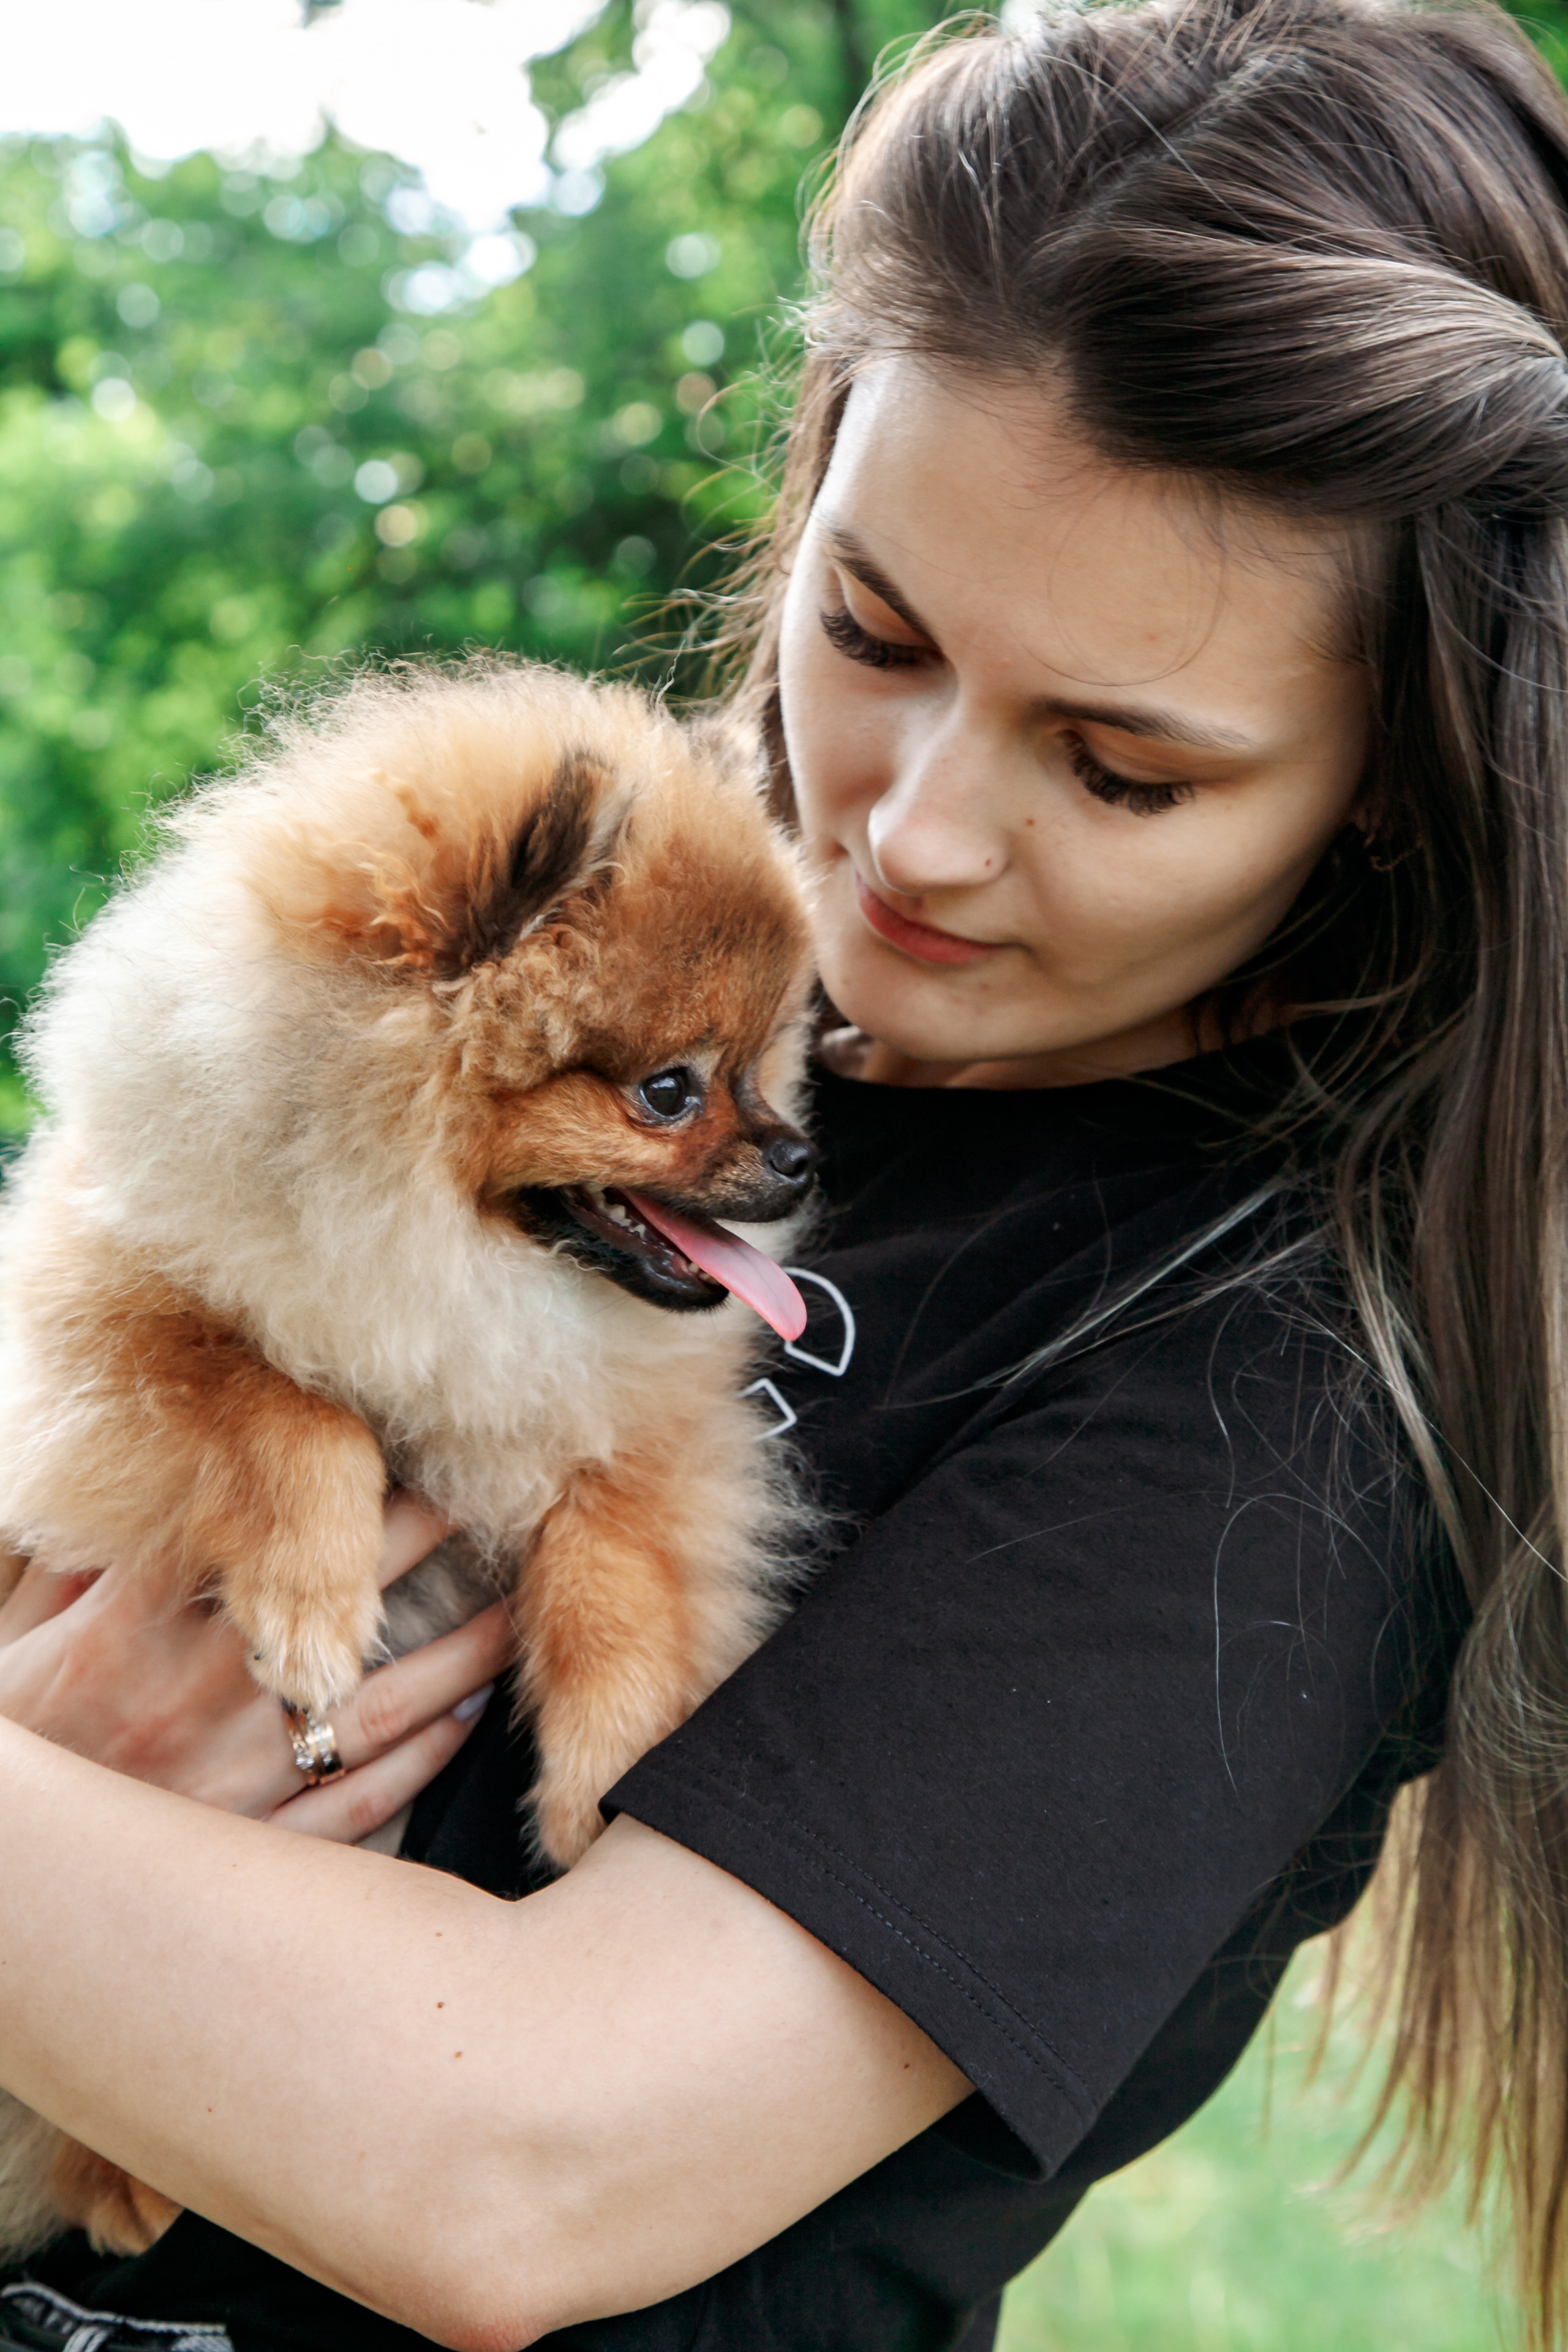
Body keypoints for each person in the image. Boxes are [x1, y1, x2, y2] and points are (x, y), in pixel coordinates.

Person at [0, 0, 1564, 2342]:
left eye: (1120, 771)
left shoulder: (1278, 1394)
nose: (909, 837)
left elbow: (508, 2166)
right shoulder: (621, 970)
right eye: (876, 632)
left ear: (1396, 784)